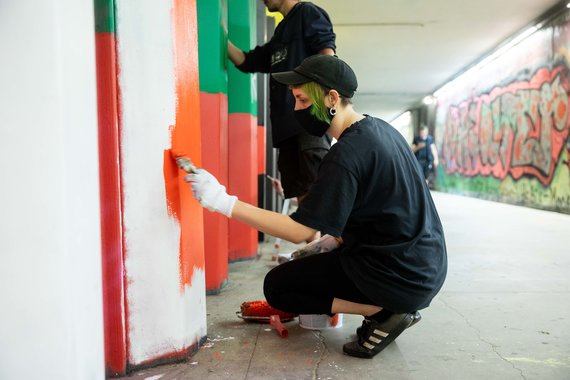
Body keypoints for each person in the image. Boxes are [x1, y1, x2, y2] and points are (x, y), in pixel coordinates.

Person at [185, 55, 448, 359]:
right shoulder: (380, 132)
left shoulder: (346, 154)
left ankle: (384, 311)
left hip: (400, 277)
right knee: (305, 268)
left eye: (301, 99)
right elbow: (386, 208)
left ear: (332, 98)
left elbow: (300, 230)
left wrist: (223, 201)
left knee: (279, 287)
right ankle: (386, 305)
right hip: (424, 267)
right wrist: (333, 240)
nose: (297, 109)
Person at [228, 0, 336, 237]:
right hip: (285, 128)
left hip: (308, 121)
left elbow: (327, 52)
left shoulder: (307, 13)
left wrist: (322, 98)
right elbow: (248, 62)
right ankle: (313, 250)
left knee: (320, 191)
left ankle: (334, 249)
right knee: (302, 195)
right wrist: (219, 35)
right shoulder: (280, 33)